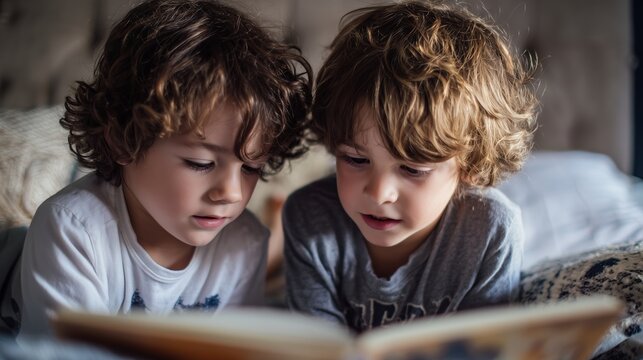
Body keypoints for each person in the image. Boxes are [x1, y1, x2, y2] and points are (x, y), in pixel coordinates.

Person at [11, 0, 311, 339]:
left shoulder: (245, 243)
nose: (231, 193)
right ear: (123, 141)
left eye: (251, 168)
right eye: (201, 163)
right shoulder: (74, 231)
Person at [283, 0, 538, 332]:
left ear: (470, 167)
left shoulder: (490, 230)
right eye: (356, 159)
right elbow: (314, 347)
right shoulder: (310, 218)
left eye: (412, 169)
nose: (379, 193)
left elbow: (485, 348)